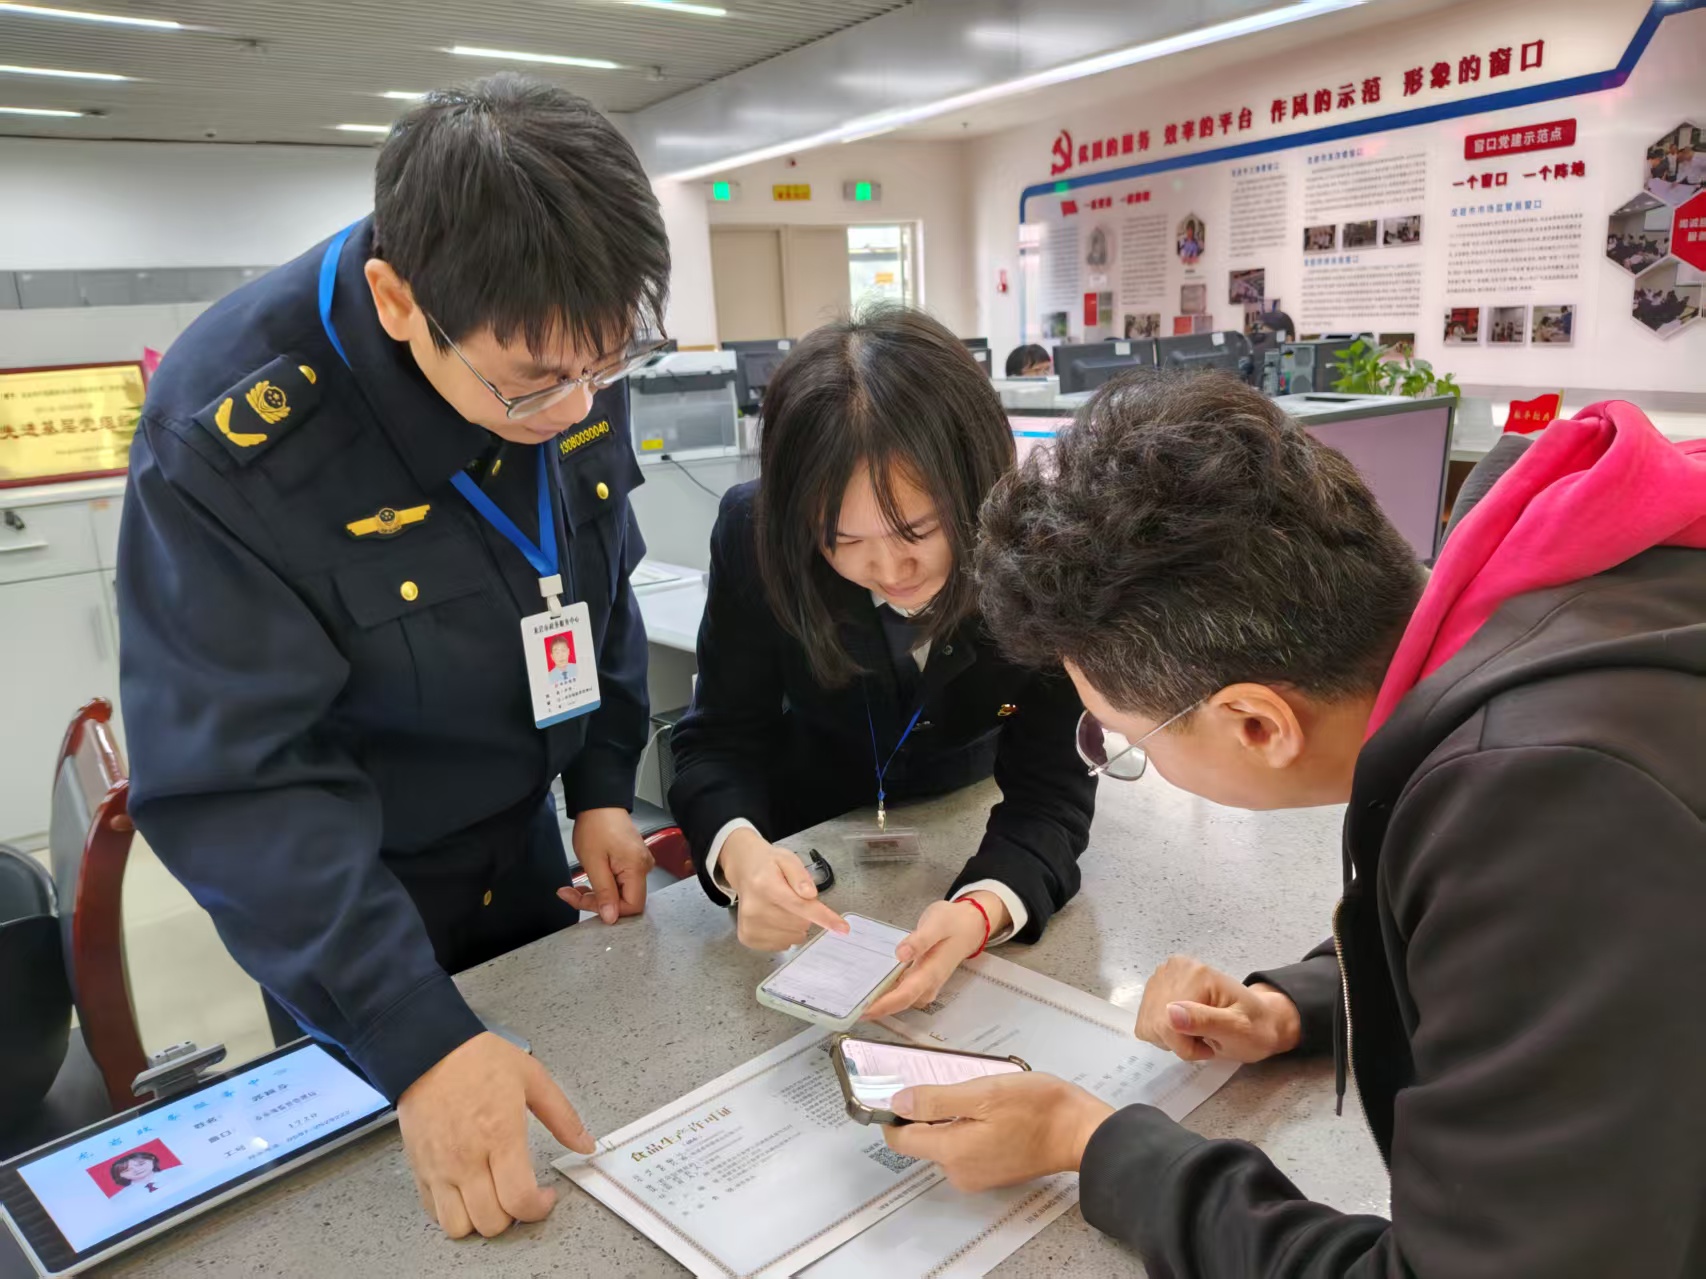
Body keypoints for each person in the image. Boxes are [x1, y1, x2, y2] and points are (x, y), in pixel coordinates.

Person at [884, 372, 1706, 1277]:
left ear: (1256, 724)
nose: (1125, 757)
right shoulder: (1520, 582)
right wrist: (1300, 1005)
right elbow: (1521, 959)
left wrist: (1094, 1142)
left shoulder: (1545, 807)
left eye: (1120, 735)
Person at [118, 76, 670, 1240]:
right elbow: (241, 782)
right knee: (404, 1221)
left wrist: (603, 788)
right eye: (532, 389)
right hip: (355, 904)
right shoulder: (228, 440)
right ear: (396, 298)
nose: (575, 409)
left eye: (603, 371)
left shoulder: (559, 337)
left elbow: (596, 570)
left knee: (576, 1187)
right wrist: (410, 1034)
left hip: (522, 848)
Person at [669, 307, 1095, 1014]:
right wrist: (743, 859)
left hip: (961, 809)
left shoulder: (1042, 551)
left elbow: (1051, 790)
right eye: (842, 539)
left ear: (976, 487)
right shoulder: (755, 534)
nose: (887, 568)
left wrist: (982, 908)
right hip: (807, 842)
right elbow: (716, 739)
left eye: (916, 531)